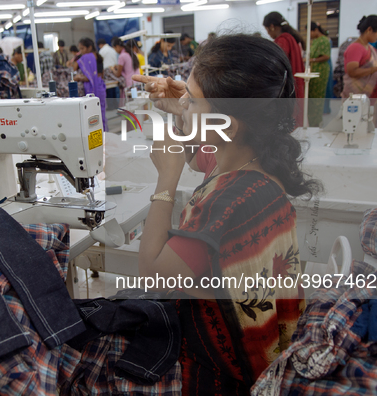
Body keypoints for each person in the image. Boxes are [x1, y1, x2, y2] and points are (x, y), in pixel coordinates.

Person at [133, 34, 319, 394]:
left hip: (232, 365)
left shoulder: (231, 201)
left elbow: (155, 276)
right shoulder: (250, 160)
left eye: (192, 96)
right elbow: (200, 154)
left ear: (228, 125)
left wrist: (165, 181)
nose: (183, 98)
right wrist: (178, 109)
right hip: (270, 338)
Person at [263, 12, 305, 100]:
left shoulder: (282, 41)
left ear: (272, 26)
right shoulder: (290, 37)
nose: (268, 33)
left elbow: (277, 65)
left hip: (288, 84)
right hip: (295, 81)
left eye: (267, 29)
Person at [71, 38, 107, 131]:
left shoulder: (87, 58)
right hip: (100, 86)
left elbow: (89, 77)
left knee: (92, 116)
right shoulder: (98, 57)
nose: (81, 51)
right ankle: (105, 135)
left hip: (92, 88)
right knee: (101, 114)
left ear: (89, 47)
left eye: (82, 49)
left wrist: (79, 77)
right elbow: (101, 74)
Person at [308, 22, 331, 127]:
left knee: (317, 98)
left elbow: (326, 56)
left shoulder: (324, 40)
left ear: (315, 30)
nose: (309, 35)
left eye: (310, 32)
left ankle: (316, 121)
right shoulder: (316, 41)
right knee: (311, 96)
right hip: (314, 69)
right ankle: (312, 119)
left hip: (320, 71)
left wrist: (311, 59)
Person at [111, 37, 139, 104]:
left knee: (129, 106)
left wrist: (112, 69)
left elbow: (118, 74)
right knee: (137, 104)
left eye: (114, 48)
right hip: (137, 82)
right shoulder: (133, 53)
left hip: (129, 84)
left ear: (117, 46)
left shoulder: (122, 56)